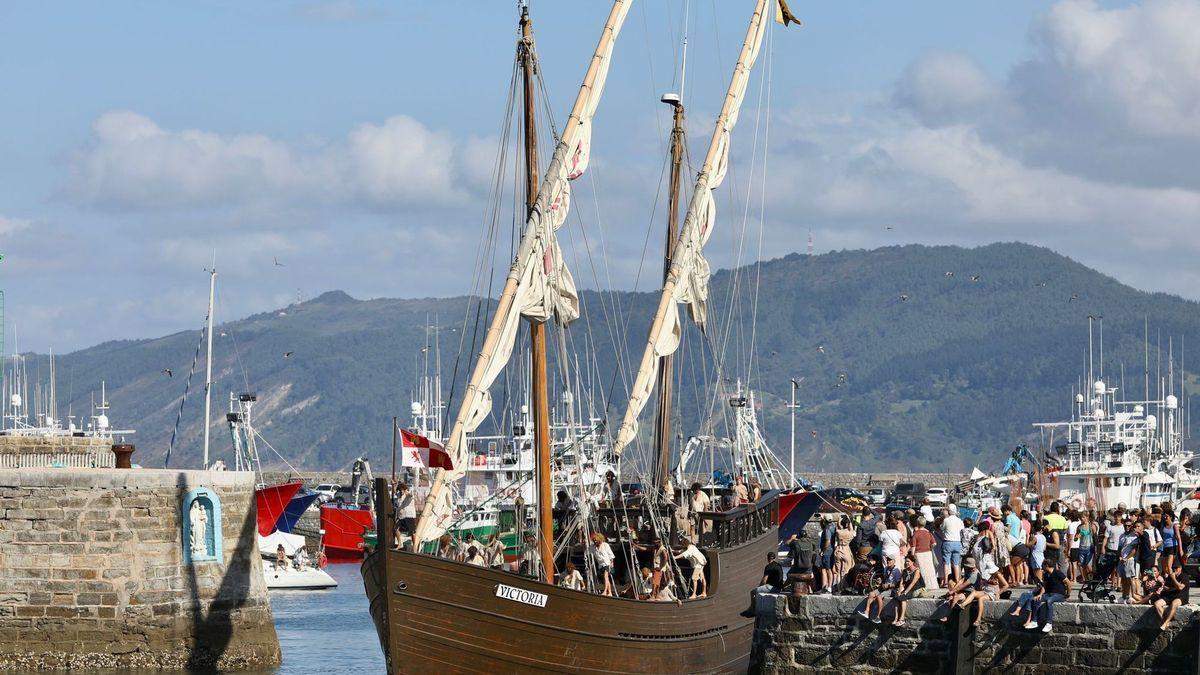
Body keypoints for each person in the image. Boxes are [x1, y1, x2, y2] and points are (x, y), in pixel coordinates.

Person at [1025, 559, 1070, 633]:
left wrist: (1068, 594)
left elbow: (1068, 583)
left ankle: (1049, 623)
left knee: (1049, 601)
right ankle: (1034, 621)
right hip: (1049, 594)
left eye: (1043, 565)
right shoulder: (1046, 574)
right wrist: (1040, 595)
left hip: (1059, 594)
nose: (1041, 567)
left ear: (1046, 565)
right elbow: (1044, 587)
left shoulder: (1058, 573)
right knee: (1035, 599)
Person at [858, 555, 900, 625]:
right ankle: (866, 612)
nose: (888, 561)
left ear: (894, 561)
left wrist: (889, 585)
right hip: (884, 587)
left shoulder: (897, 570)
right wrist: (880, 581)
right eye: (887, 560)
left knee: (879, 597)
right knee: (871, 594)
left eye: (890, 560)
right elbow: (884, 579)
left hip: (892, 589)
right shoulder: (886, 568)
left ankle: (878, 616)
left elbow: (898, 584)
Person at [1155, 564, 1189, 630]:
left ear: (1180, 568)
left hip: (1181, 596)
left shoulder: (1184, 577)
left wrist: (1173, 578)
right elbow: (1166, 587)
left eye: (1176, 568)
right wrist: (1167, 588)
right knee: (1157, 604)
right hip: (1170, 595)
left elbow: (1180, 587)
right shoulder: (1170, 577)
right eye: (1173, 568)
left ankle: (1165, 623)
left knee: (1174, 603)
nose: (1174, 569)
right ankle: (1165, 622)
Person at [911, 517, 939, 590]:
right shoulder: (928, 533)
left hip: (919, 554)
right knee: (930, 570)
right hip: (928, 553)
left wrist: (912, 555)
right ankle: (932, 586)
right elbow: (934, 543)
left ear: (917, 523)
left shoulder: (915, 533)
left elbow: (913, 546)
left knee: (921, 570)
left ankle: (923, 586)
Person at [892, 557, 922, 626]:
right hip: (907, 589)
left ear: (912, 562)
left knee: (903, 598)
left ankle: (902, 619)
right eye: (905, 561)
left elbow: (913, 583)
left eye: (908, 561)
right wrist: (899, 591)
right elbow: (901, 582)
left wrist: (905, 592)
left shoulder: (916, 571)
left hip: (916, 589)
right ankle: (896, 618)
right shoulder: (905, 571)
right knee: (896, 597)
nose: (906, 563)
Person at [785, 530, 816, 595]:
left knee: (789, 574)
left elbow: (786, 543)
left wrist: (792, 538)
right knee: (811, 577)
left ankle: (784, 587)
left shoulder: (796, 543)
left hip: (798, 566)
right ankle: (813, 590)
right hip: (808, 566)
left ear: (799, 536)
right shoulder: (811, 543)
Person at [1118, 520, 1141, 602]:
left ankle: (1133, 595)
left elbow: (1134, 550)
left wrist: (1126, 558)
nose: (1127, 527)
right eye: (1125, 526)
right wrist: (1120, 556)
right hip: (1122, 559)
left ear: (1132, 526)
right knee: (1123, 578)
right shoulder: (1122, 536)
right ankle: (1124, 596)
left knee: (1131, 579)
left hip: (1130, 560)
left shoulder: (1134, 536)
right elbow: (1120, 548)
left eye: (1129, 526)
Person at [941, 507, 965, 585]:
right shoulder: (959, 520)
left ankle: (945, 581)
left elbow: (942, 529)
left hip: (948, 542)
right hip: (957, 542)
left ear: (948, 511)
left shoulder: (946, 520)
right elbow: (962, 529)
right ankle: (957, 580)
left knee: (946, 563)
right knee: (956, 563)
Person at [590, 532, 616, 596]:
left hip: (607, 563)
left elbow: (611, 555)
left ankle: (604, 592)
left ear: (600, 539)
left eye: (596, 540)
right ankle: (609, 592)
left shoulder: (605, 545)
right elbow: (586, 552)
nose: (595, 541)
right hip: (600, 564)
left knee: (605, 577)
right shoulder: (593, 547)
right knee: (606, 579)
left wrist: (612, 564)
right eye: (594, 540)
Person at [834, 516, 855, 593]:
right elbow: (851, 527)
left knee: (838, 572)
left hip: (838, 550)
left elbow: (838, 526)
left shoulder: (839, 532)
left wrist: (839, 520)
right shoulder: (850, 532)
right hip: (846, 550)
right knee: (845, 571)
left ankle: (839, 588)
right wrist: (849, 521)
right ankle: (843, 588)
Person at [393, 483, 416, 550]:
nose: (400, 491)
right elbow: (395, 492)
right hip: (401, 516)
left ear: (404, 489)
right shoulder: (399, 495)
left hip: (409, 515)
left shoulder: (408, 495)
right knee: (396, 529)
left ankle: (414, 546)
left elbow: (410, 495)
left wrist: (406, 492)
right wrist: (394, 485)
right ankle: (400, 544)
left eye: (401, 490)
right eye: (399, 490)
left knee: (412, 531)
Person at [819, 515, 838, 594]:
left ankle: (825, 587)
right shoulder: (834, 527)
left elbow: (828, 541)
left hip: (827, 551)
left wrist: (822, 550)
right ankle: (829, 587)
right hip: (832, 550)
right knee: (829, 569)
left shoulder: (827, 529)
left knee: (825, 569)